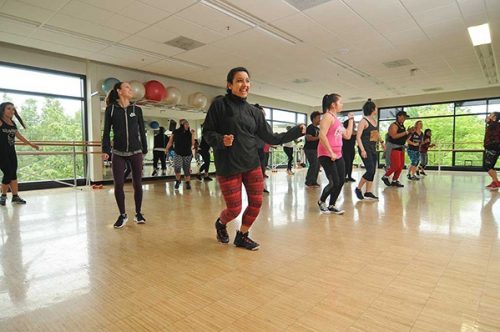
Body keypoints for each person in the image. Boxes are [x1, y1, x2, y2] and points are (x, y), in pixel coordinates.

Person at [203, 67, 304, 250]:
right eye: (240, 81)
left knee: (256, 203)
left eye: (247, 81)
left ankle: (242, 235)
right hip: (229, 166)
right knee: (234, 209)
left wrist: (296, 131)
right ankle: (220, 223)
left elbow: (271, 138)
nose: (245, 85)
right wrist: (221, 140)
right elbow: (207, 132)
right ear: (229, 85)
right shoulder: (219, 105)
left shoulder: (254, 112)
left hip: (251, 164)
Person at [101, 82, 147, 228]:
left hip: (136, 151)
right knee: (118, 184)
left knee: (137, 184)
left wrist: (144, 149)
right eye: (127, 87)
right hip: (118, 152)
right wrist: (105, 150)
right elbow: (106, 131)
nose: (130, 89)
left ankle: (138, 213)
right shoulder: (111, 109)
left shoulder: (136, 109)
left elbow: (141, 130)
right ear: (119, 91)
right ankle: (122, 215)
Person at [317, 93, 354, 214]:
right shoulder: (327, 117)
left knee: (341, 180)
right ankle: (322, 201)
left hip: (338, 154)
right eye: (340, 102)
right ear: (333, 104)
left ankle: (332, 204)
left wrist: (351, 120)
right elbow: (322, 135)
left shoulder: (337, 120)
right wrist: (330, 152)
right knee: (334, 182)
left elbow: (348, 135)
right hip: (326, 154)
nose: (342, 104)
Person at [0, 102, 39, 206]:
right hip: (1, 153)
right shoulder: (0, 121)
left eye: (13, 109)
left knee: (13, 174)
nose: (11, 111)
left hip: (11, 152)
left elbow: (19, 136)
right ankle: (3, 196)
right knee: (8, 173)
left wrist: (31, 144)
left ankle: (15, 196)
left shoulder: (12, 123)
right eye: (8, 108)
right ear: (3, 110)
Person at [355, 99, 381, 200]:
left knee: (373, 170)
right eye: (375, 108)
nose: (376, 109)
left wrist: (382, 142)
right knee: (370, 170)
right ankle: (358, 188)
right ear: (372, 109)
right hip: (365, 148)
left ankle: (368, 192)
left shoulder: (374, 121)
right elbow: (358, 137)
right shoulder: (363, 121)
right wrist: (362, 150)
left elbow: (376, 134)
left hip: (372, 148)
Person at [381, 111, 414, 188]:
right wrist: (406, 132)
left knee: (401, 165)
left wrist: (410, 133)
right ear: (398, 116)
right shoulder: (393, 125)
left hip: (401, 147)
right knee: (396, 165)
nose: (404, 119)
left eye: (405, 117)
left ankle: (395, 180)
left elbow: (404, 139)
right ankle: (385, 176)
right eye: (403, 117)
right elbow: (394, 136)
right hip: (393, 147)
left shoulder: (402, 126)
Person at [166, 119, 194, 190]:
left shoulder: (189, 133)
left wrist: (193, 134)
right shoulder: (175, 132)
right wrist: (166, 149)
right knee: (177, 167)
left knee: (186, 169)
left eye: (188, 124)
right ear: (182, 125)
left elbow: (193, 143)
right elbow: (170, 141)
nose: (187, 125)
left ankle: (187, 183)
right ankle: (178, 181)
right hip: (178, 153)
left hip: (187, 153)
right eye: (186, 124)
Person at [304, 111, 321, 187]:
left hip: (316, 149)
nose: (319, 119)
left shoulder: (317, 128)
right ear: (313, 119)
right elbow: (308, 138)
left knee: (317, 165)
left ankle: (314, 181)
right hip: (310, 149)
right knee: (314, 164)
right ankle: (308, 181)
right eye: (318, 118)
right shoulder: (310, 127)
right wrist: (319, 137)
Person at [484, 112, 500, 190]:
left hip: (493, 147)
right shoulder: (493, 125)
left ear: (494, 117)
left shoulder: (496, 124)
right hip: (491, 147)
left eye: (491, 114)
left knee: (487, 166)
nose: (489, 116)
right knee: (491, 166)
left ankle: (496, 182)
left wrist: (489, 121)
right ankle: (495, 182)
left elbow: (493, 124)